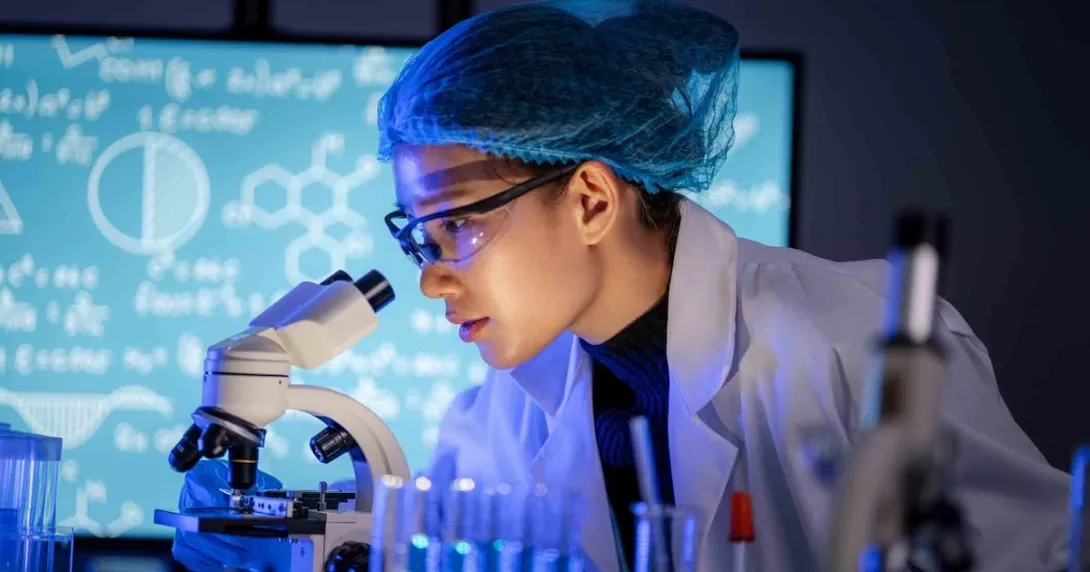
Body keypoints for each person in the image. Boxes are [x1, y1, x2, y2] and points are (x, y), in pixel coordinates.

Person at [173, 1, 1073, 570]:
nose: (435, 275)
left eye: (462, 222)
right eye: (420, 237)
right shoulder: (494, 418)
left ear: (593, 197)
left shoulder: (847, 343)